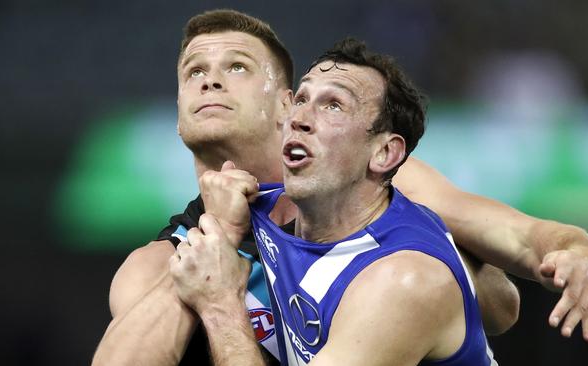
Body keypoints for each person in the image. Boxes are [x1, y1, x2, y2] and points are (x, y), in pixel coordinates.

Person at [91, 9, 588, 366]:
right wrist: (219, 237)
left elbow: (505, 294)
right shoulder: (165, 261)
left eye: (237, 68)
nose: (210, 81)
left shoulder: (387, 192)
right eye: (194, 71)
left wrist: (573, 247)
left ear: (284, 105)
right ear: (177, 118)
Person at [171, 38, 499, 365]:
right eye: (301, 98)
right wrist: (223, 227)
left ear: (384, 153)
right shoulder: (256, 210)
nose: (299, 117)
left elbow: (506, 300)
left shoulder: (402, 278)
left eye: (333, 105)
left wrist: (220, 303)